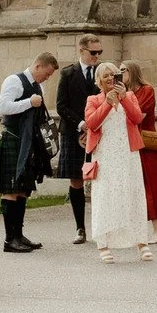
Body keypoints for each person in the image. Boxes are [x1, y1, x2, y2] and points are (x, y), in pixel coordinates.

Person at [0, 52, 58, 253]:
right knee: (10, 189)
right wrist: (29, 102)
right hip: (13, 139)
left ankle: (18, 235)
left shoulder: (38, 86)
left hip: (28, 144)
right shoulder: (14, 81)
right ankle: (9, 240)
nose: (47, 78)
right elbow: (3, 107)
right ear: (38, 66)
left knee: (22, 189)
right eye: (46, 74)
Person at [85, 62, 153, 262]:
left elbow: (137, 118)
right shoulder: (93, 99)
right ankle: (103, 244)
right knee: (106, 196)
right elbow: (92, 123)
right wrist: (107, 102)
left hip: (127, 152)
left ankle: (142, 242)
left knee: (133, 194)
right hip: (105, 154)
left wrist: (123, 98)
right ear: (98, 80)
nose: (109, 79)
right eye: (105, 76)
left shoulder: (129, 96)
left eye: (113, 75)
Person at [53, 34, 103, 244]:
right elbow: (61, 106)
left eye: (99, 52)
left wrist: (93, 125)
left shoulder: (103, 73)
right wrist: (82, 125)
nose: (96, 56)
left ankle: (103, 227)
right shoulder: (67, 73)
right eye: (93, 52)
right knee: (76, 179)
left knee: (103, 179)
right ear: (82, 51)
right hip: (74, 132)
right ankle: (80, 228)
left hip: (99, 131)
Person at [118, 62, 157, 244]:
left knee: (151, 185)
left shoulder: (146, 90)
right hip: (127, 144)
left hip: (145, 144)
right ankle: (133, 230)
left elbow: (138, 116)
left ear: (132, 71)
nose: (120, 73)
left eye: (123, 70)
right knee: (130, 186)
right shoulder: (120, 93)